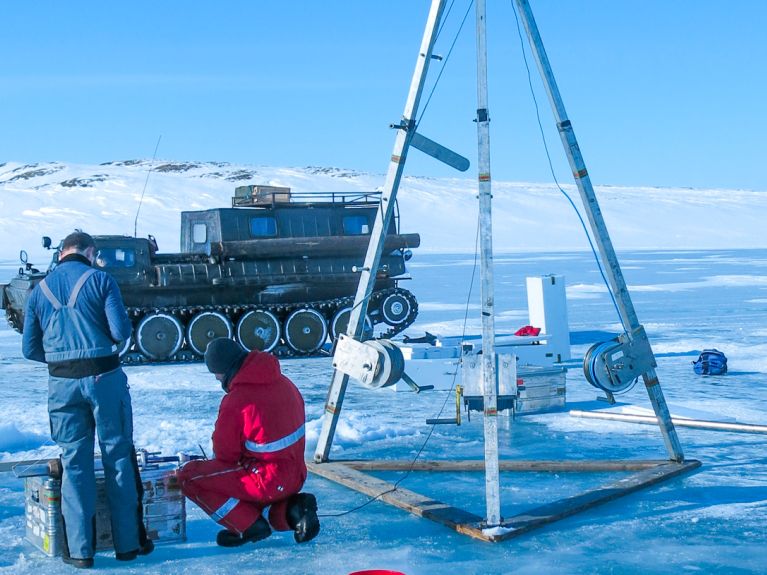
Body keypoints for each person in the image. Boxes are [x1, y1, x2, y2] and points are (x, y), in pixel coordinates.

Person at [22, 231, 153, 569]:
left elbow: (29, 348)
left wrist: (61, 359)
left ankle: (80, 553)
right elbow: (121, 332)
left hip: (62, 384)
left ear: (62, 252)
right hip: (105, 379)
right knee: (117, 455)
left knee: (74, 463)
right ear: (90, 252)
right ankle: (127, 546)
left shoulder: (39, 291)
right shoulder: (101, 281)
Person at [178, 337, 320, 547]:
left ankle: (248, 526)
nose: (217, 379)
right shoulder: (284, 382)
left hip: (266, 481)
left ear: (224, 370)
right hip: (295, 475)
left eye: (216, 374)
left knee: (187, 478)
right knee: (252, 489)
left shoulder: (237, 400)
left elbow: (225, 455)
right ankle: (294, 510)